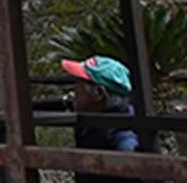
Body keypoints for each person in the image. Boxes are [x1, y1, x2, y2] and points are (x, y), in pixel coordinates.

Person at [61, 55, 142, 183]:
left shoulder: (124, 143)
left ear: (99, 93)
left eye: (79, 86)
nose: (73, 94)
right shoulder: (93, 125)